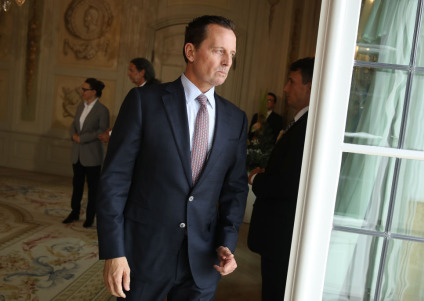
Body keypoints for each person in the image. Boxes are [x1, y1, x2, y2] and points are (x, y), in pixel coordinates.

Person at [96, 15, 248, 300]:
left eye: (232, 54)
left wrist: (227, 243)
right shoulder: (144, 102)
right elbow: (114, 181)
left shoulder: (235, 119)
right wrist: (114, 252)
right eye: (219, 51)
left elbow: (235, 189)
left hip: (202, 263)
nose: (228, 61)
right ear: (190, 51)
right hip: (144, 256)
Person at [247, 57, 315, 301]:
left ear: (309, 87)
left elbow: (287, 185)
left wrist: (256, 179)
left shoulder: (307, 127)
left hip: (282, 235)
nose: (285, 88)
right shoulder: (302, 123)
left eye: (291, 81)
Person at [63, 78, 110, 228]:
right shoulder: (80, 107)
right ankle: (74, 212)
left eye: (84, 89)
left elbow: (102, 131)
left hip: (92, 155)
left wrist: (81, 138)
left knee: (93, 188)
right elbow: (73, 125)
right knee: (76, 185)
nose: (81, 92)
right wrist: (73, 135)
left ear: (93, 92)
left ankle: (90, 217)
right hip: (77, 154)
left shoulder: (102, 110)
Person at [98, 58, 160, 143]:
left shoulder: (148, 93)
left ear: (142, 72)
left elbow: (134, 122)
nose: (128, 74)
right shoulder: (142, 91)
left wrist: (112, 134)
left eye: (131, 70)